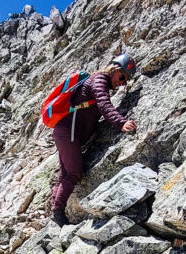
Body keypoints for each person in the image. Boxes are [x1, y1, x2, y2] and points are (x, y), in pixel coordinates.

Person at [50, 52, 137, 226]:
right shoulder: (99, 81)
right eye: (122, 77)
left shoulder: (98, 80)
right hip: (68, 132)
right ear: (115, 69)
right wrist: (121, 123)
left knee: (65, 174)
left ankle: (55, 209)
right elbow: (104, 104)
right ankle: (57, 212)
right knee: (74, 173)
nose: (121, 83)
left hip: (64, 132)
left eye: (124, 82)